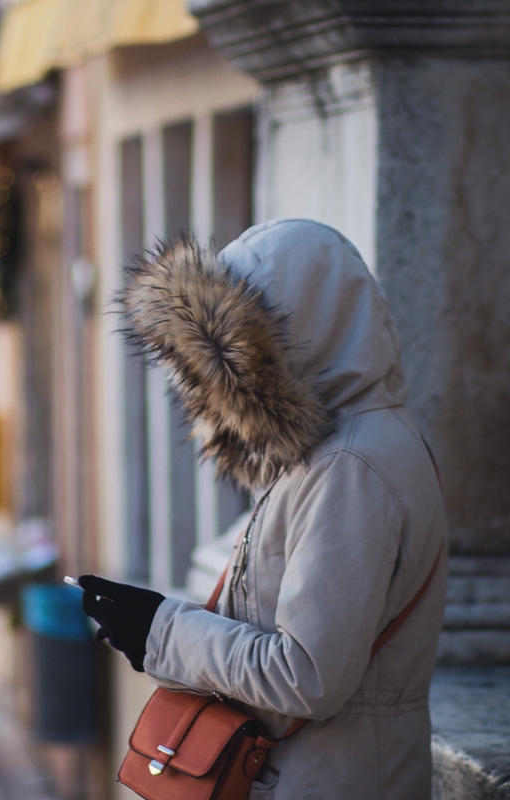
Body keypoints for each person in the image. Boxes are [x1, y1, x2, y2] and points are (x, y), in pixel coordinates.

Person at [79, 220, 447, 799]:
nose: (225, 381)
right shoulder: (338, 450)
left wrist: (159, 629)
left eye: (241, 350)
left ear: (297, 336)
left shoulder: (351, 466)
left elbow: (306, 676)